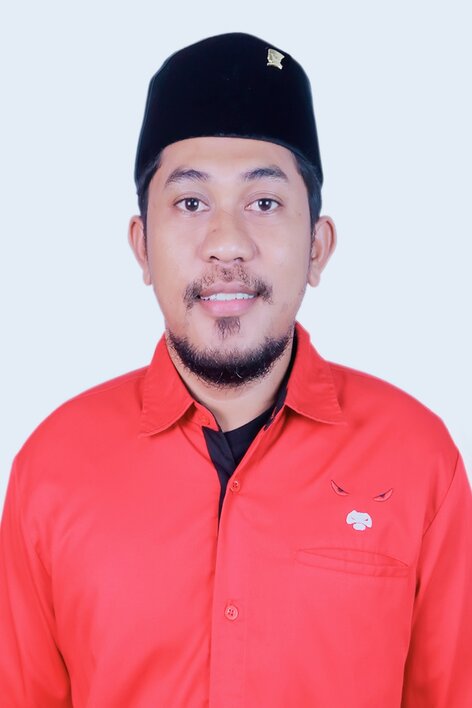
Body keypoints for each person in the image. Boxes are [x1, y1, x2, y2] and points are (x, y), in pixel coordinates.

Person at [0, 31, 470, 708]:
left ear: (317, 247)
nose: (227, 243)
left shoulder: (419, 459)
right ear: (142, 247)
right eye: (191, 203)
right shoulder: (52, 468)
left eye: (264, 203)